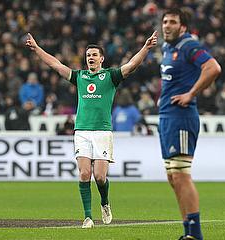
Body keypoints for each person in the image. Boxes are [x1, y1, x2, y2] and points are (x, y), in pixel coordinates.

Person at [26, 31, 157, 228]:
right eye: (88, 56)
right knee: (84, 174)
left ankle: (105, 203)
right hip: (82, 131)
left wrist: (146, 48)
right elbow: (56, 65)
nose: (91, 58)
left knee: (100, 177)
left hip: (103, 131)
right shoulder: (79, 76)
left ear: (102, 58)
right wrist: (37, 49)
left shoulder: (110, 76)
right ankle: (88, 217)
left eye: (94, 55)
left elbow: (131, 66)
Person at [159, 9, 221, 240]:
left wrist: (191, 93)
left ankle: (196, 235)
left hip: (181, 117)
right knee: (173, 177)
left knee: (182, 174)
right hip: (167, 116)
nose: (167, 25)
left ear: (183, 27)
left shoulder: (188, 46)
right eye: (165, 21)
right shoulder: (168, 48)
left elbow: (213, 67)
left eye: (172, 22)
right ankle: (188, 233)